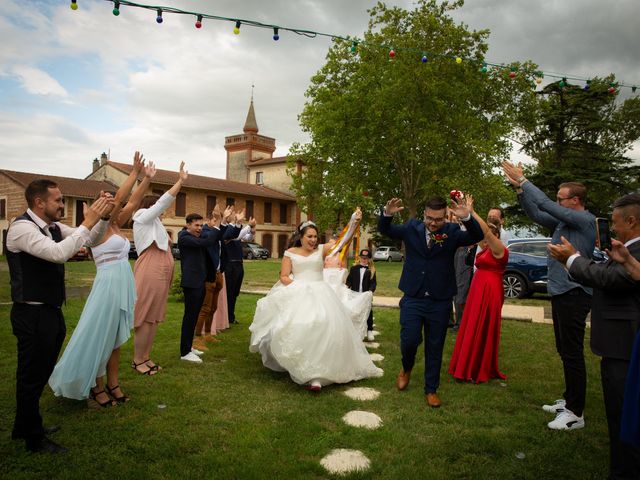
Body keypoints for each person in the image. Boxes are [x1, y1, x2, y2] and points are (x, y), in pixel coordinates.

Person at [6, 180, 113, 453]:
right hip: (30, 313)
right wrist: (87, 222)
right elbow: (57, 254)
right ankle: (33, 437)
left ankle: (26, 424)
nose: (63, 205)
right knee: (31, 376)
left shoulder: (53, 228)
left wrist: (102, 217)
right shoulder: (21, 228)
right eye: (59, 201)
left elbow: (91, 238)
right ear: (39, 203)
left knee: (39, 372)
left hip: (50, 311)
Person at [49, 153, 154, 407]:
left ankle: (113, 383)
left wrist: (147, 179)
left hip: (121, 284)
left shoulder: (117, 224)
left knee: (116, 339)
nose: (112, 204)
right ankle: (96, 387)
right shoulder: (97, 231)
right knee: (101, 338)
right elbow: (120, 199)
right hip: (107, 288)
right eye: (104, 201)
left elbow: (134, 200)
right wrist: (133, 173)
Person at [548, 193, 640, 479]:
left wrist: (572, 258)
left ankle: (625, 470)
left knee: (624, 416)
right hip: (618, 345)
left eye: (614, 224)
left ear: (632, 220)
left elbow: (612, 279)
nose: (612, 230)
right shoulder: (627, 250)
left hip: (624, 345)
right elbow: (607, 272)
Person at [502, 160, 595, 430]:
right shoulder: (565, 222)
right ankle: (569, 401)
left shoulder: (583, 220)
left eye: (561, 199)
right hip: (561, 292)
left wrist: (525, 181)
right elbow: (537, 212)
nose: (557, 202)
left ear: (575, 200)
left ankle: (575, 413)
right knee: (564, 350)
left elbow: (544, 204)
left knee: (573, 353)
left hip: (574, 293)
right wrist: (520, 192)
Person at [249, 221, 383, 391]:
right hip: (299, 292)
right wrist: (298, 287)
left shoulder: (321, 249)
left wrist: (353, 223)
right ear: (301, 237)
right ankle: (304, 366)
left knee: (323, 325)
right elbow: (284, 276)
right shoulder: (290, 253)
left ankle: (318, 376)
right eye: (309, 236)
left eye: (315, 236)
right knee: (300, 326)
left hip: (321, 293)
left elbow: (343, 241)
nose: (313, 240)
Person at [378, 195, 483, 408]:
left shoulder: (452, 232)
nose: (433, 223)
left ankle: (431, 389)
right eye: (429, 218)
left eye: (438, 219)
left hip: (440, 299)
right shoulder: (411, 228)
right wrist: (387, 215)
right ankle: (406, 368)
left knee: (435, 345)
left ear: (446, 216)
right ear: (424, 214)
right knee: (409, 340)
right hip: (413, 296)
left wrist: (468, 217)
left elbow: (477, 235)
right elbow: (386, 230)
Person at [131, 161, 188, 375]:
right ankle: (138, 360)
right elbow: (162, 203)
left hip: (162, 269)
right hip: (150, 268)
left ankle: (146, 356)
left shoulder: (156, 225)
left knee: (154, 315)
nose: (163, 213)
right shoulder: (141, 217)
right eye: (158, 209)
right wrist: (179, 182)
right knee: (145, 313)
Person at [448, 195, 508, 383]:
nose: (485, 239)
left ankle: (479, 367)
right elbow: (479, 236)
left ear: (496, 235)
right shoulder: (485, 248)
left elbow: (487, 234)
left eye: (489, 235)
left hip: (490, 291)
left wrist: (472, 213)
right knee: (471, 325)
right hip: (477, 288)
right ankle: (465, 364)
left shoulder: (499, 249)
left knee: (484, 327)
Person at [178, 209, 238, 363]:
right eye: (196, 225)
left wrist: (222, 221)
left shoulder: (199, 235)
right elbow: (207, 241)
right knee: (190, 317)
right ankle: (184, 352)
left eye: (200, 225)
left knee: (193, 315)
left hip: (200, 281)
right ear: (187, 225)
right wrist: (217, 225)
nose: (199, 228)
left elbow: (217, 236)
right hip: (191, 283)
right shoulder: (184, 237)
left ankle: (188, 347)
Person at [194, 208, 252, 350]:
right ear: (209, 221)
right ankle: (197, 338)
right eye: (214, 220)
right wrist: (224, 220)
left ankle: (208, 334)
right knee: (205, 308)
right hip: (209, 274)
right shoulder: (206, 232)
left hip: (219, 273)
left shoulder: (216, 232)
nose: (216, 222)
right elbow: (218, 234)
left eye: (217, 220)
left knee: (213, 307)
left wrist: (237, 223)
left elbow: (229, 234)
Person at [323, 208, 373, 339]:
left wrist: (343, 280)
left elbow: (344, 269)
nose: (332, 246)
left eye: (334, 244)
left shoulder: (341, 256)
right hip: (326, 281)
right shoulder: (325, 256)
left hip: (337, 282)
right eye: (330, 244)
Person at [222, 210, 255, 325]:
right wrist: (248, 226)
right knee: (229, 292)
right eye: (233, 214)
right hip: (229, 265)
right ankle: (226, 317)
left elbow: (247, 238)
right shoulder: (225, 230)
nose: (235, 215)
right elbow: (236, 236)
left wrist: (252, 230)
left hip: (238, 264)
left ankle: (230, 317)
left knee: (235, 293)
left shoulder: (235, 230)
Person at [345, 248, 377, 342]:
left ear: (369, 259)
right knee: (355, 311)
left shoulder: (371, 270)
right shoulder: (354, 268)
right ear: (359, 258)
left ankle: (369, 330)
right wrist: (346, 287)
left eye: (366, 258)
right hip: (355, 294)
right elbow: (349, 280)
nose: (364, 260)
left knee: (368, 311)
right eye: (362, 258)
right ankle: (354, 330)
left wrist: (370, 291)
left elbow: (373, 283)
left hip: (365, 295)